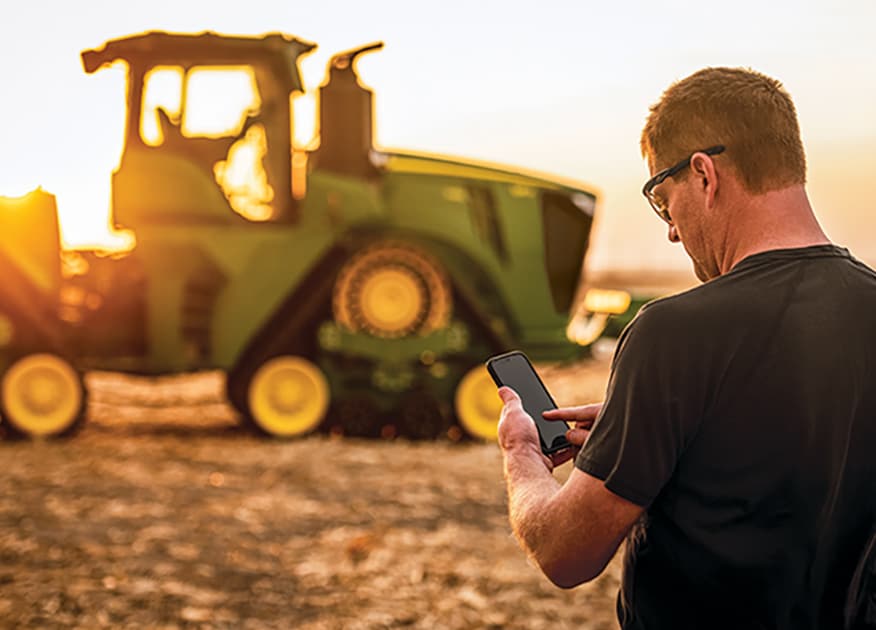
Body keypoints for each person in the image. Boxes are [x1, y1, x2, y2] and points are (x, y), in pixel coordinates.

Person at [496, 66, 876, 630]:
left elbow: (563, 552)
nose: (671, 229)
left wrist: (522, 454)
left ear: (703, 173)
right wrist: (657, 433)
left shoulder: (672, 333)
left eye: (661, 196)